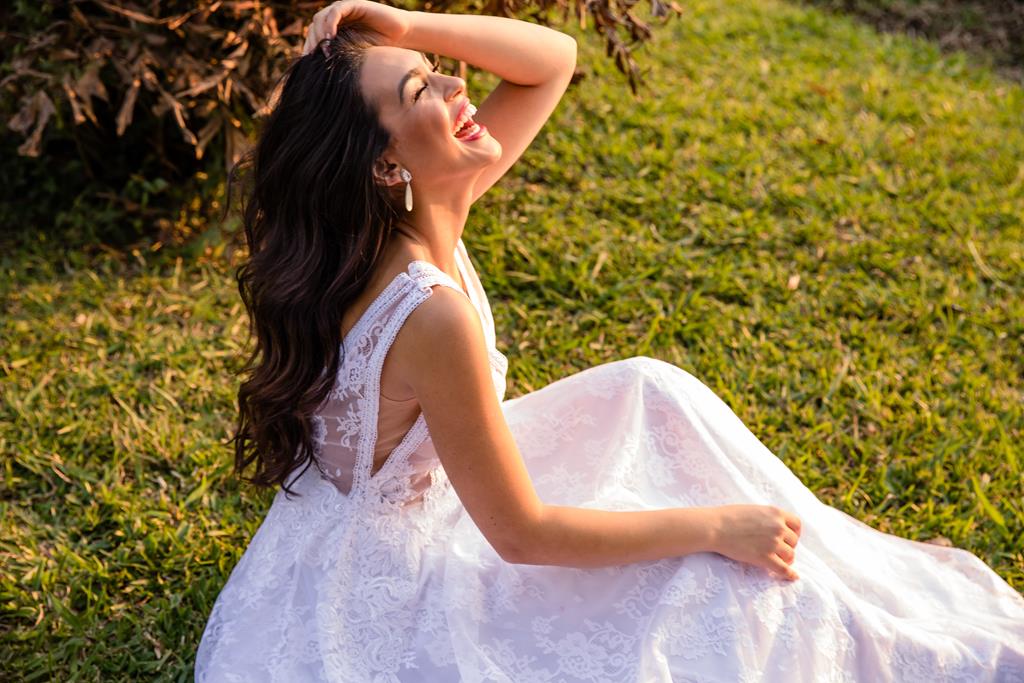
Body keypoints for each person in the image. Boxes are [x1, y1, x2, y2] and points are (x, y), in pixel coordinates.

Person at [194, 1, 1024, 680]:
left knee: (647, 387)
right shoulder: (424, 307)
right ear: (385, 165)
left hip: (436, 498)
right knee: (719, 588)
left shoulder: (420, 208)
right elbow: (522, 535)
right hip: (395, 588)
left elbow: (550, 59)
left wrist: (406, 26)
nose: (455, 84)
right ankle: (817, 576)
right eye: (421, 91)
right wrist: (710, 526)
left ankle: (842, 563)